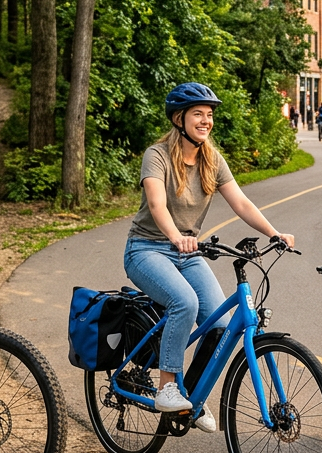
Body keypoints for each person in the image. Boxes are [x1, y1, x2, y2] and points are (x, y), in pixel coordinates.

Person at [125, 83, 295, 431]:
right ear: (179, 119)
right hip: (146, 248)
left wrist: (273, 232)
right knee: (184, 303)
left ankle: (189, 397)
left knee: (219, 324)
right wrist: (176, 237)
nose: (206, 121)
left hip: (188, 252)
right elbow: (156, 204)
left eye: (209, 115)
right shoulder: (156, 155)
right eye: (198, 114)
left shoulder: (212, 160)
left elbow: (241, 202)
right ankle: (167, 388)